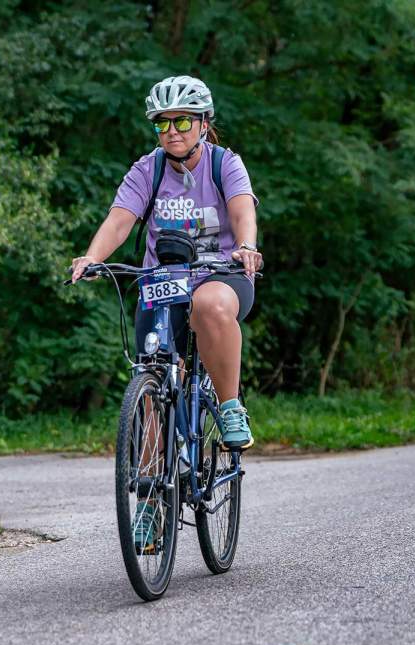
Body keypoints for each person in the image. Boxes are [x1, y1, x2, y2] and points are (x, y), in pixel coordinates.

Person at [71, 75, 263, 451]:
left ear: (204, 124)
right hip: (163, 283)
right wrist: (92, 258)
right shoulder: (148, 170)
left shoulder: (225, 164)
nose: (171, 131)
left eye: (182, 121)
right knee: (152, 383)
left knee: (209, 304)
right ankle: (148, 499)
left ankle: (229, 407)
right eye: (162, 122)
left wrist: (246, 246)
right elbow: (119, 221)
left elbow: (243, 213)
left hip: (221, 275)